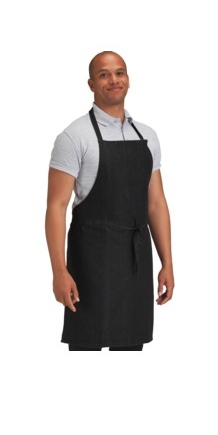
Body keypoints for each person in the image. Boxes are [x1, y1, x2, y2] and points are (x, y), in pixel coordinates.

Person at [45, 51, 174, 351]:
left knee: (131, 345)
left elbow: (155, 203)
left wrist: (167, 262)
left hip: (136, 263)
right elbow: (56, 208)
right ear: (91, 84)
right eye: (104, 75)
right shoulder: (74, 137)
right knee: (86, 344)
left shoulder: (147, 136)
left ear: (128, 79)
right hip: (90, 263)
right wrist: (59, 271)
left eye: (119, 72)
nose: (113, 80)